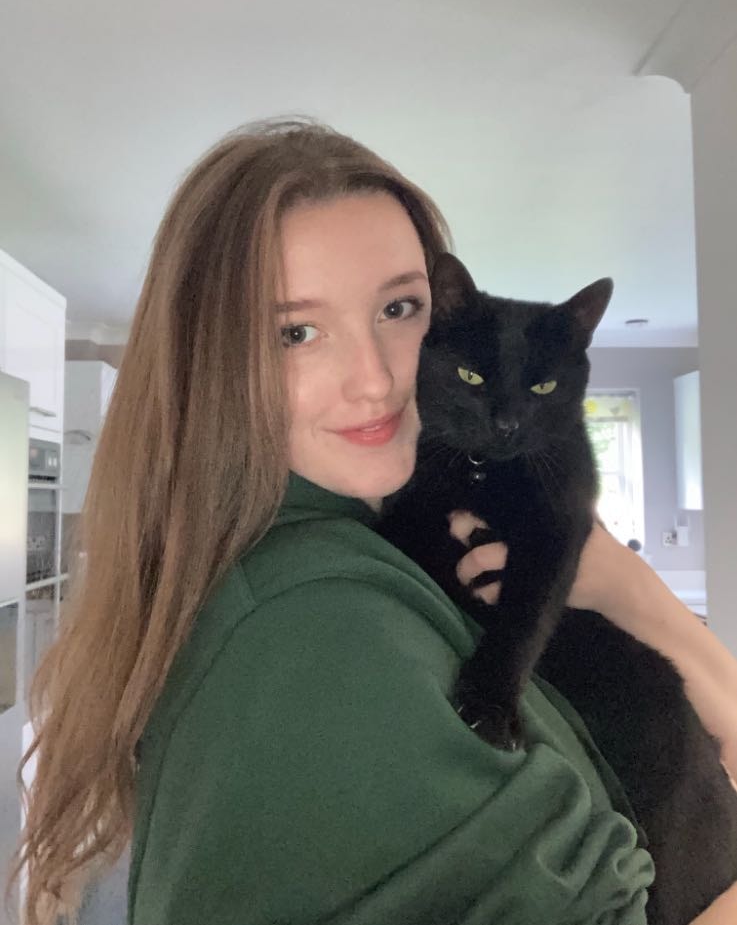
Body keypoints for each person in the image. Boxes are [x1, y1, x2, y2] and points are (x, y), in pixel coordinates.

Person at [8, 119, 737, 925]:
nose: (376, 379)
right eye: (296, 331)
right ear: (210, 362)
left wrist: (640, 601)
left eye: (399, 307)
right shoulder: (318, 618)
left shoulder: (362, 544)